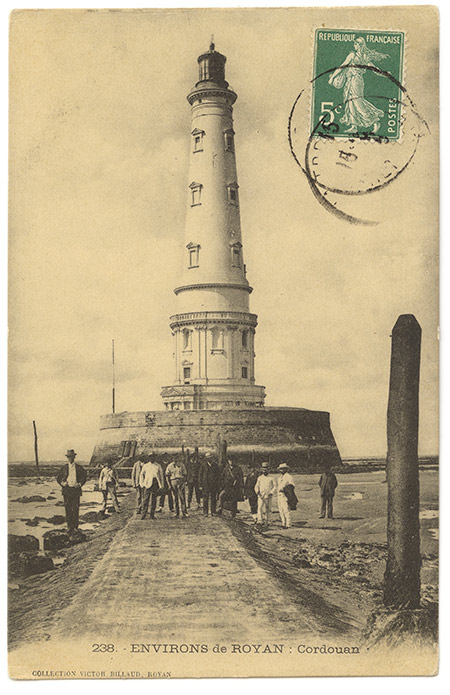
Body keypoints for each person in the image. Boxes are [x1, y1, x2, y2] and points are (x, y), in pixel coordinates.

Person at [328, 37, 389, 133]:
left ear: (360, 45)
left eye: (356, 44)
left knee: (357, 101)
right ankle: (354, 126)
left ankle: (374, 121)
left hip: (356, 81)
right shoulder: (362, 56)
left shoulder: (355, 56)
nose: (354, 46)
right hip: (351, 80)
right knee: (350, 101)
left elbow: (343, 66)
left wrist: (332, 78)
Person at [56, 449, 87, 535]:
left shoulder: (79, 468)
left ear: (74, 457)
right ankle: (69, 527)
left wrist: (80, 484)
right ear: (67, 458)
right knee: (68, 509)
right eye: (68, 457)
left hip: (76, 490)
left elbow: (84, 477)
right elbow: (58, 478)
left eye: (71, 457)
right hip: (67, 490)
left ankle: (75, 528)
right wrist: (62, 483)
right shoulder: (64, 468)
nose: (70, 458)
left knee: (76, 508)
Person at [139, 455, 164, 520]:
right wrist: (142, 483)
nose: (152, 459)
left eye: (153, 458)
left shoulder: (158, 466)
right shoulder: (146, 465)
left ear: (155, 458)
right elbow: (141, 474)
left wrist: (161, 485)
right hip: (147, 484)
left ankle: (152, 515)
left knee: (154, 500)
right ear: (149, 458)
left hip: (155, 484)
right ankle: (143, 514)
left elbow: (161, 476)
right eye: (150, 458)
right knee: (145, 500)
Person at [198, 451, 221, 516]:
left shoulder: (215, 465)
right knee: (205, 498)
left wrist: (218, 484)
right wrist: (200, 485)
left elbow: (218, 475)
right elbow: (200, 476)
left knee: (213, 498)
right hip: (205, 485)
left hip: (213, 485)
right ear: (206, 459)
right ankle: (205, 512)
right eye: (207, 458)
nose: (209, 459)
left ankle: (213, 511)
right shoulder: (203, 466)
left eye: (210, 458)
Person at [254, 462, 276, 528]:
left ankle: (267, 521)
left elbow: (275, 486)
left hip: (268, 495)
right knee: (260, 507)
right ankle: (260, 521)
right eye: (263, 468)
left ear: (269, 469)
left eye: (266, 468)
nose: (265, 470)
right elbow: (256, 486)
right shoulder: (260, 478)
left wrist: (271, 492)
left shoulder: (271, 478)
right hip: (261, 495)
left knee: (268, 508)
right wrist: (257, 491)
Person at [277, 463, 297, 529]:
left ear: (286, 469)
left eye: (283, 469)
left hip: (285, 494)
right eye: (280, 469)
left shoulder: (289, 477)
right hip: (279, 495)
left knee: (286, 510)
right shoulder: (279, 478)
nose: (281, 470)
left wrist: (284, 489)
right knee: (281, 510)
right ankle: (283, 523)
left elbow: (292, 485)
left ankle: (288, 524)